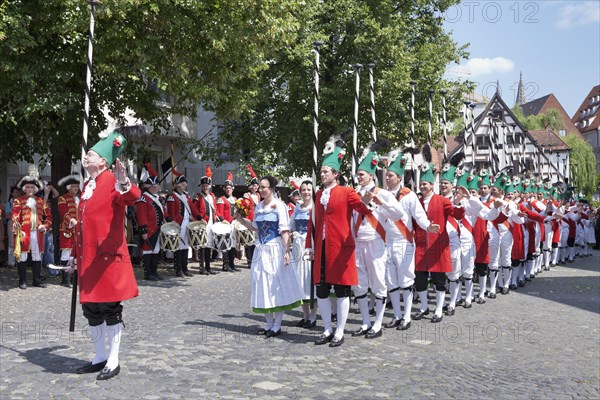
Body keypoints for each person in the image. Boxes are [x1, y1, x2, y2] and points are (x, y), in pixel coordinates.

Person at [71, 131, 141, 380]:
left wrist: (125, 183)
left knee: (110, 309)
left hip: (107, 259)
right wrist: (73, 255)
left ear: (102, 161)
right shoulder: (88, 186)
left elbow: (133, 198)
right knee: (91, 310)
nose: (84, 156)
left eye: (89, 154)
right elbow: (82, 224)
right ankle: (99, 355)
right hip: (87, 260)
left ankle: (114, 359)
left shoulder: (112, 179)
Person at [305, 134, 373, 347]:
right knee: (322, 289)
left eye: (326, 172)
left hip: (341, 247)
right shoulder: (318, 195)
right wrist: (309, 245)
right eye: (322, 171)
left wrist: (366, 201)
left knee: (342, 289)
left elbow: (361, 209)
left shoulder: (346, 191)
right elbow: (313, 222)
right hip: (322, 247)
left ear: (335, 174)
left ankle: (340, 331)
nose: (322, 174)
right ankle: (326, 328)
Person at [235, 175, 304, 338]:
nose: (260, 189)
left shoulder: (279, 206)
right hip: (261, 248)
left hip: (275, 248)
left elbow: (285, 230)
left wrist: (287, 251)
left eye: (263, 187)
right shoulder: (258, 207)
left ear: (272, 188)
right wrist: (242, 220)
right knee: (261, 283)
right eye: (260, 187)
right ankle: (268, 323)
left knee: (276, 284)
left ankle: (277, 324)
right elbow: (255, 228)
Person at [351, 144, 405, 340]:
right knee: (359, 284)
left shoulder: (382, 193)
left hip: (375, 242)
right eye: (357, 175)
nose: (359, 178)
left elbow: (399, 213)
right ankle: (365, 322)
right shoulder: (354, 194)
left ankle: (377, 323)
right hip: (358, 243)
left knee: (378, 284)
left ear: (371, 176)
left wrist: (381, 203)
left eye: (362, 175)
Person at [381, 148, 437, 331]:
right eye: (386, 175)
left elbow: (420, 217)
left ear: (399, 177)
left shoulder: (410, 195)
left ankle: (406, 316)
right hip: (386, 244)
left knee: (406, 280)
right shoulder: (383, 195)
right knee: (391, 281)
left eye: (390, 175)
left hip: (404, 243)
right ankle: (396, 315)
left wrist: (428, 226)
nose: (387, 178)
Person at [412, 150, 465, 324]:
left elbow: (456, 214)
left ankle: (439, 309)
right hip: (420, 246)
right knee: (420, 279)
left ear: (432, 185)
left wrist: (457, 203)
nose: (423, 187)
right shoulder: (417, 201)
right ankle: (424, 307)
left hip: (437, 245)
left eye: (426, 184)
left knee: (438, 280)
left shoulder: (442, 201)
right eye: (421, 184)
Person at [11, 176, 52, 289]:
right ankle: (22, 281)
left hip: (37, 233)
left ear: (35, 189)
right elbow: (15, 215)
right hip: (24, 232)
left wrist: (45, 226)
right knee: (23, 256)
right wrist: (16, 225)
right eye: (28, 187)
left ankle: (37, 280)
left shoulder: (40, 201)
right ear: (24, 189)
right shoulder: (18, 201)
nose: (30, 189)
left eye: (32, 187)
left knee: (37, 256)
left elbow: (48, 216)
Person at [289, 180, 317, 328]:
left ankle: (313, 316)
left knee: (310, 280)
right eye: (304, 190)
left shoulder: (316, 208)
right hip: (298, 247)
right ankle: (305, 316)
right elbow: (290, 225)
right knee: (300, 281)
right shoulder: (297, 208)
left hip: (310, 246)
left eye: (308, 190)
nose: (306, 192)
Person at [166, 175, 202, 277]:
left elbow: (192, 208)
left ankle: (185, 268)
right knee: (178, 246)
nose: (185, 186)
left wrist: (199, 217)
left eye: (185, 184)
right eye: (182, 184)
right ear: (178, 185)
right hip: (178, 224)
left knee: (185, 246)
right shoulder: (172, 197)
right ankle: (178, 269)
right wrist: (173, 223)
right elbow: (171, 212)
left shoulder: (186, 196)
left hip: (187, 223)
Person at [135, 172, 165, 281]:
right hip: (149, 230)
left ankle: (154, 272)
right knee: (148, 251)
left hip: (157, 229)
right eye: (153, 186)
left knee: (156, 251)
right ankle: (148, 274)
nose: (155, 187)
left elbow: (161, 212)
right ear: (148, 187)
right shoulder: (143, 198)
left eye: (156, 185)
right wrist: (143, 231)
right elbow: (141, 215)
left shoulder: (156, 197)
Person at [195, 165, 222, 274]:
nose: (205, 187)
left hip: (212, 223)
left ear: (210, 186)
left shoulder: (212, 196)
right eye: (204, 185)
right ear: (201, 186)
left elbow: (215, 209)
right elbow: (195, 210)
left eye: (207, 185)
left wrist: (221, 218)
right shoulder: (198, 197)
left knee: (209, 245)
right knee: (203, 245)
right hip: (203, 223)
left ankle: (208, 267)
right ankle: (202, 268)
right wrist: (200, 218)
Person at [56, 174, 81, 287]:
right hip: (67, 229)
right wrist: (71, 220)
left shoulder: (80, 199)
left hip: (79, 230)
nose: (76, 188)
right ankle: (65, 279)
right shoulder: (63, 198)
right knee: (66, 253)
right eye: (74, 186)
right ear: (69, 187)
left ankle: (74, 277)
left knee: (77, 253)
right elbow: (63, 212)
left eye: (77, 186)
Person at [216, 172, 240, 272]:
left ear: (232, 189)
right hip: (226, 224)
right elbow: (218, 212)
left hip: (234, 224)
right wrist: (223, 221)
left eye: (229, 188)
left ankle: (232, 263)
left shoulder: (235, 199)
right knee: (226, 244)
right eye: (226, 188)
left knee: (233, 245)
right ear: (224, 189)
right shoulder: (221, 199)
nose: (228, 189)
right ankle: (225, 265)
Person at [243, 164, 260, 268]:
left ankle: (254, 258)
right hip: (249, 219)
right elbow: (244, 208)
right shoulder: (247, 195)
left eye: (257, 186)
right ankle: (249, 260)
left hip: (256, 220)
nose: (256, 187)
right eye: (254, 186)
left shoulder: (258, 195)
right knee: (248, 241)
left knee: (254, 240)